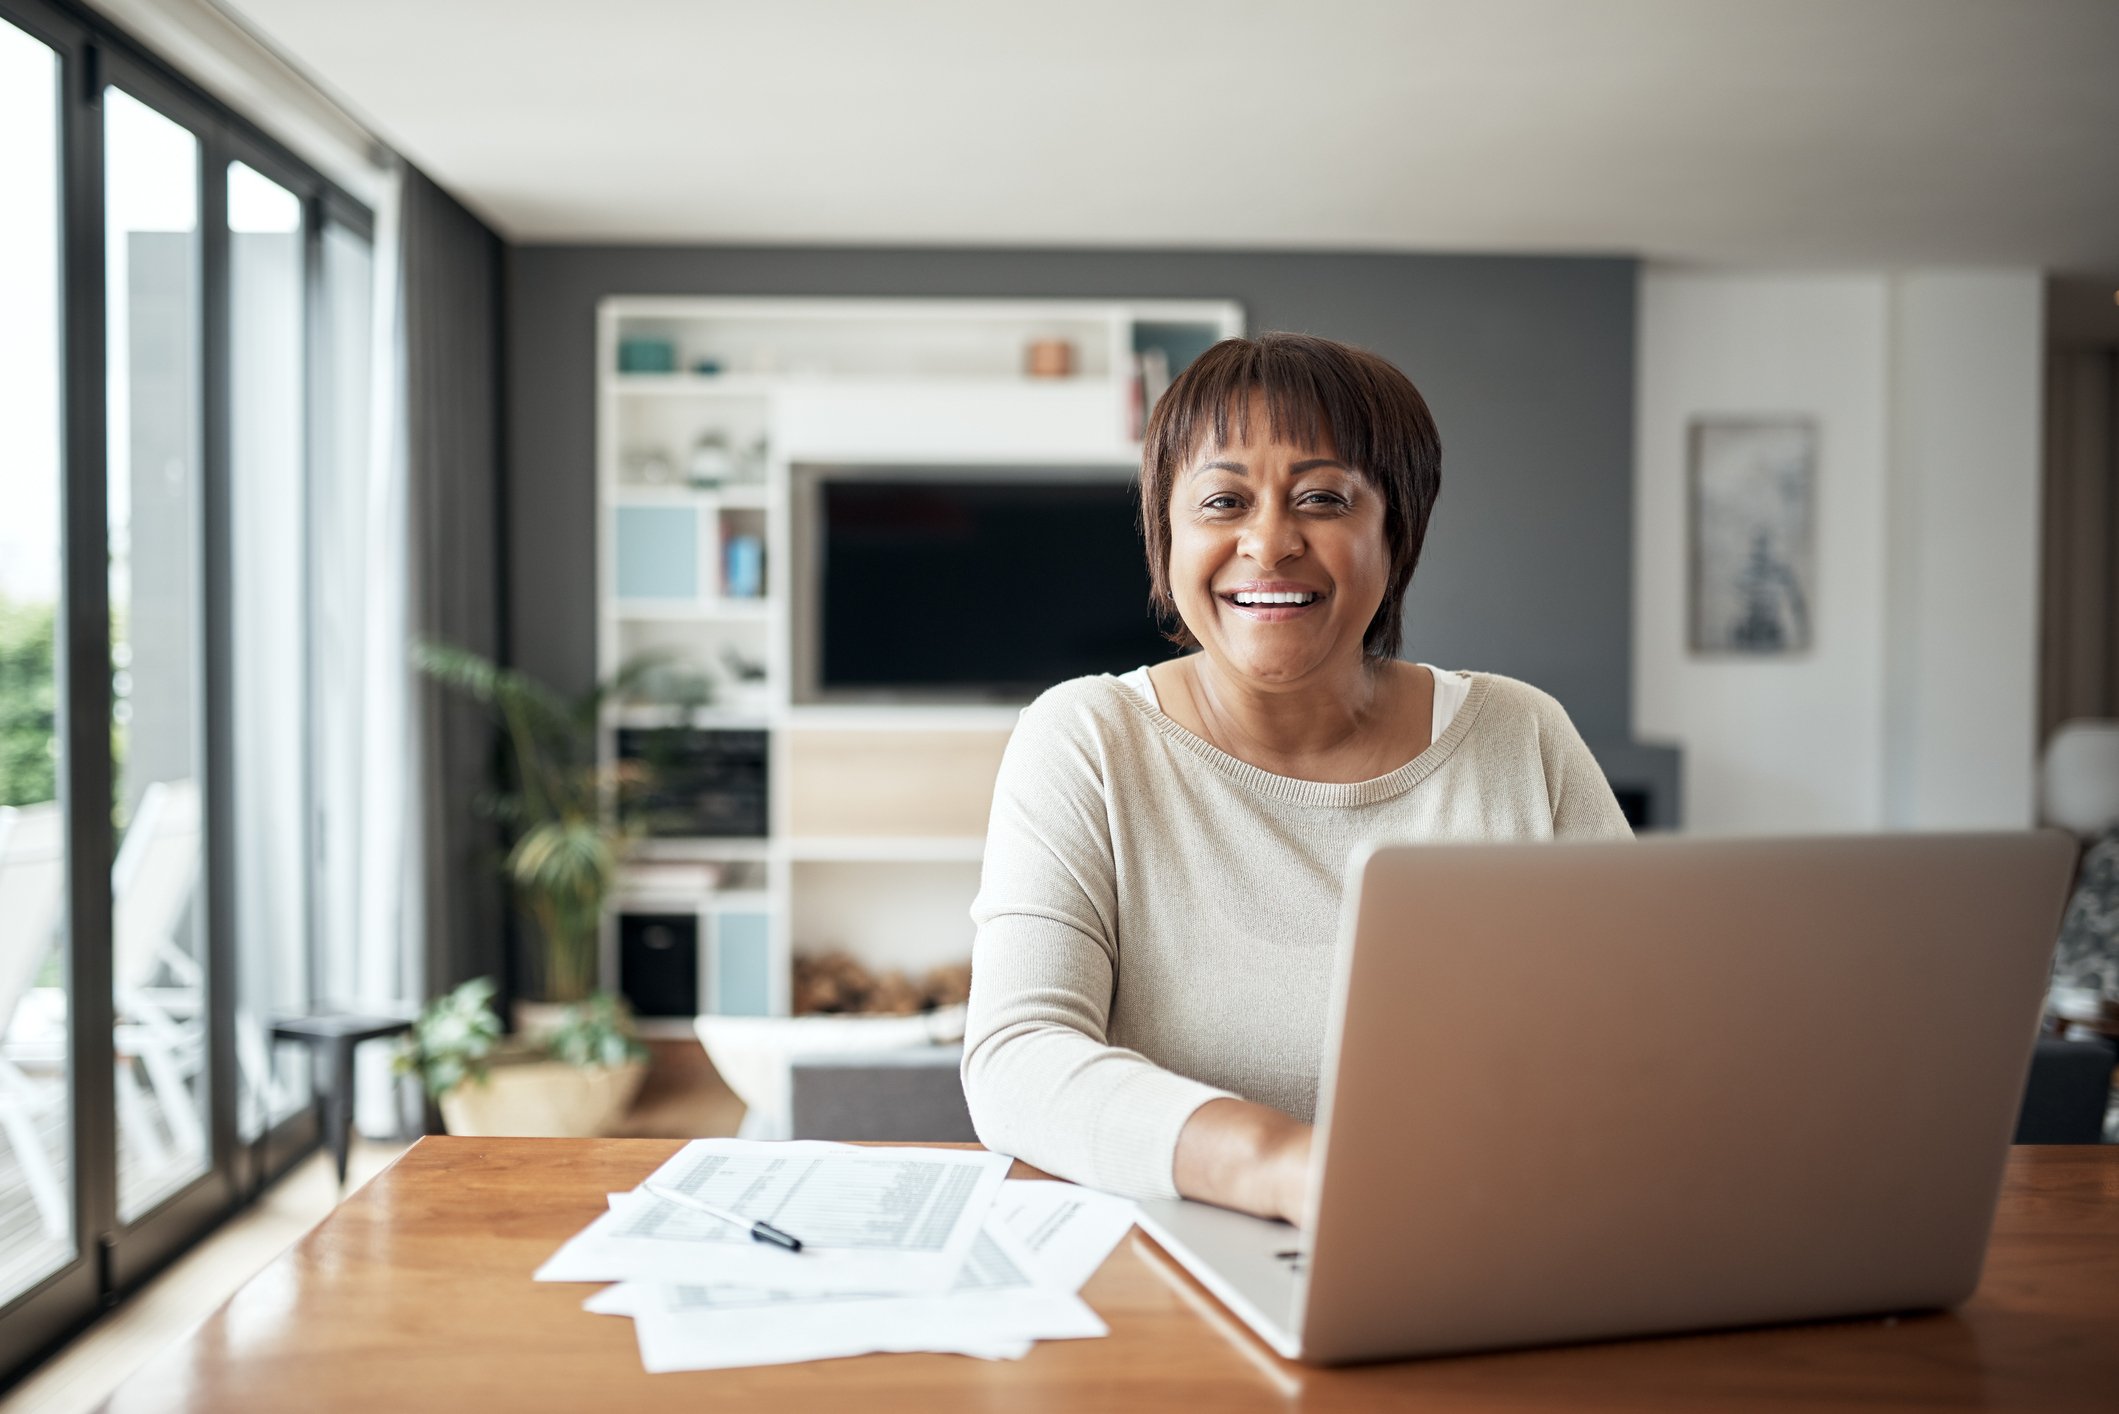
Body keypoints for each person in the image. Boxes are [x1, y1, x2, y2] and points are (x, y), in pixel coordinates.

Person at [961, 332, 1632, 1224]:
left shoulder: (1520, 735)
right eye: (1222, 500)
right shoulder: (1084, 739)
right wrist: (1286, 1169)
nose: (1269, 542)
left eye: (1322, 498)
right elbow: (1017, 1057)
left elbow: (1637, 1041)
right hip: (1180, 1266)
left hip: (1483, 1229)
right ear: (1166, 536)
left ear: (1398, 530)